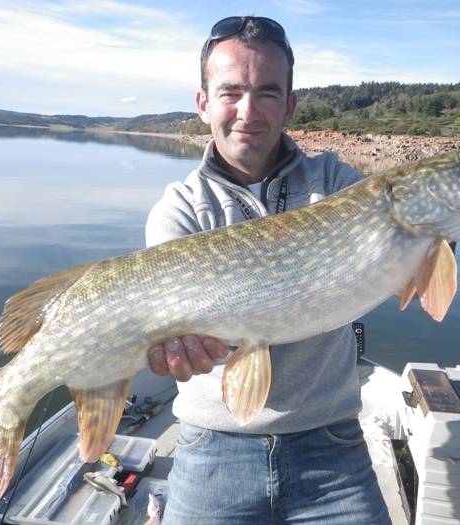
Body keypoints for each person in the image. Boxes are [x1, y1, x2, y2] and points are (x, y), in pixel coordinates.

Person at [145, 16, 391, 524]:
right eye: (231, 92)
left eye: (267, 93)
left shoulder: (336, 183)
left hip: (331, 452)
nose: (247, 112)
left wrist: (451, 226)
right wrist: (179, 353)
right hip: (212, 450)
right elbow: (174, 343)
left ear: (290, 105)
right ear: (203, 103)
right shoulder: (179, 209)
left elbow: (401, 250)